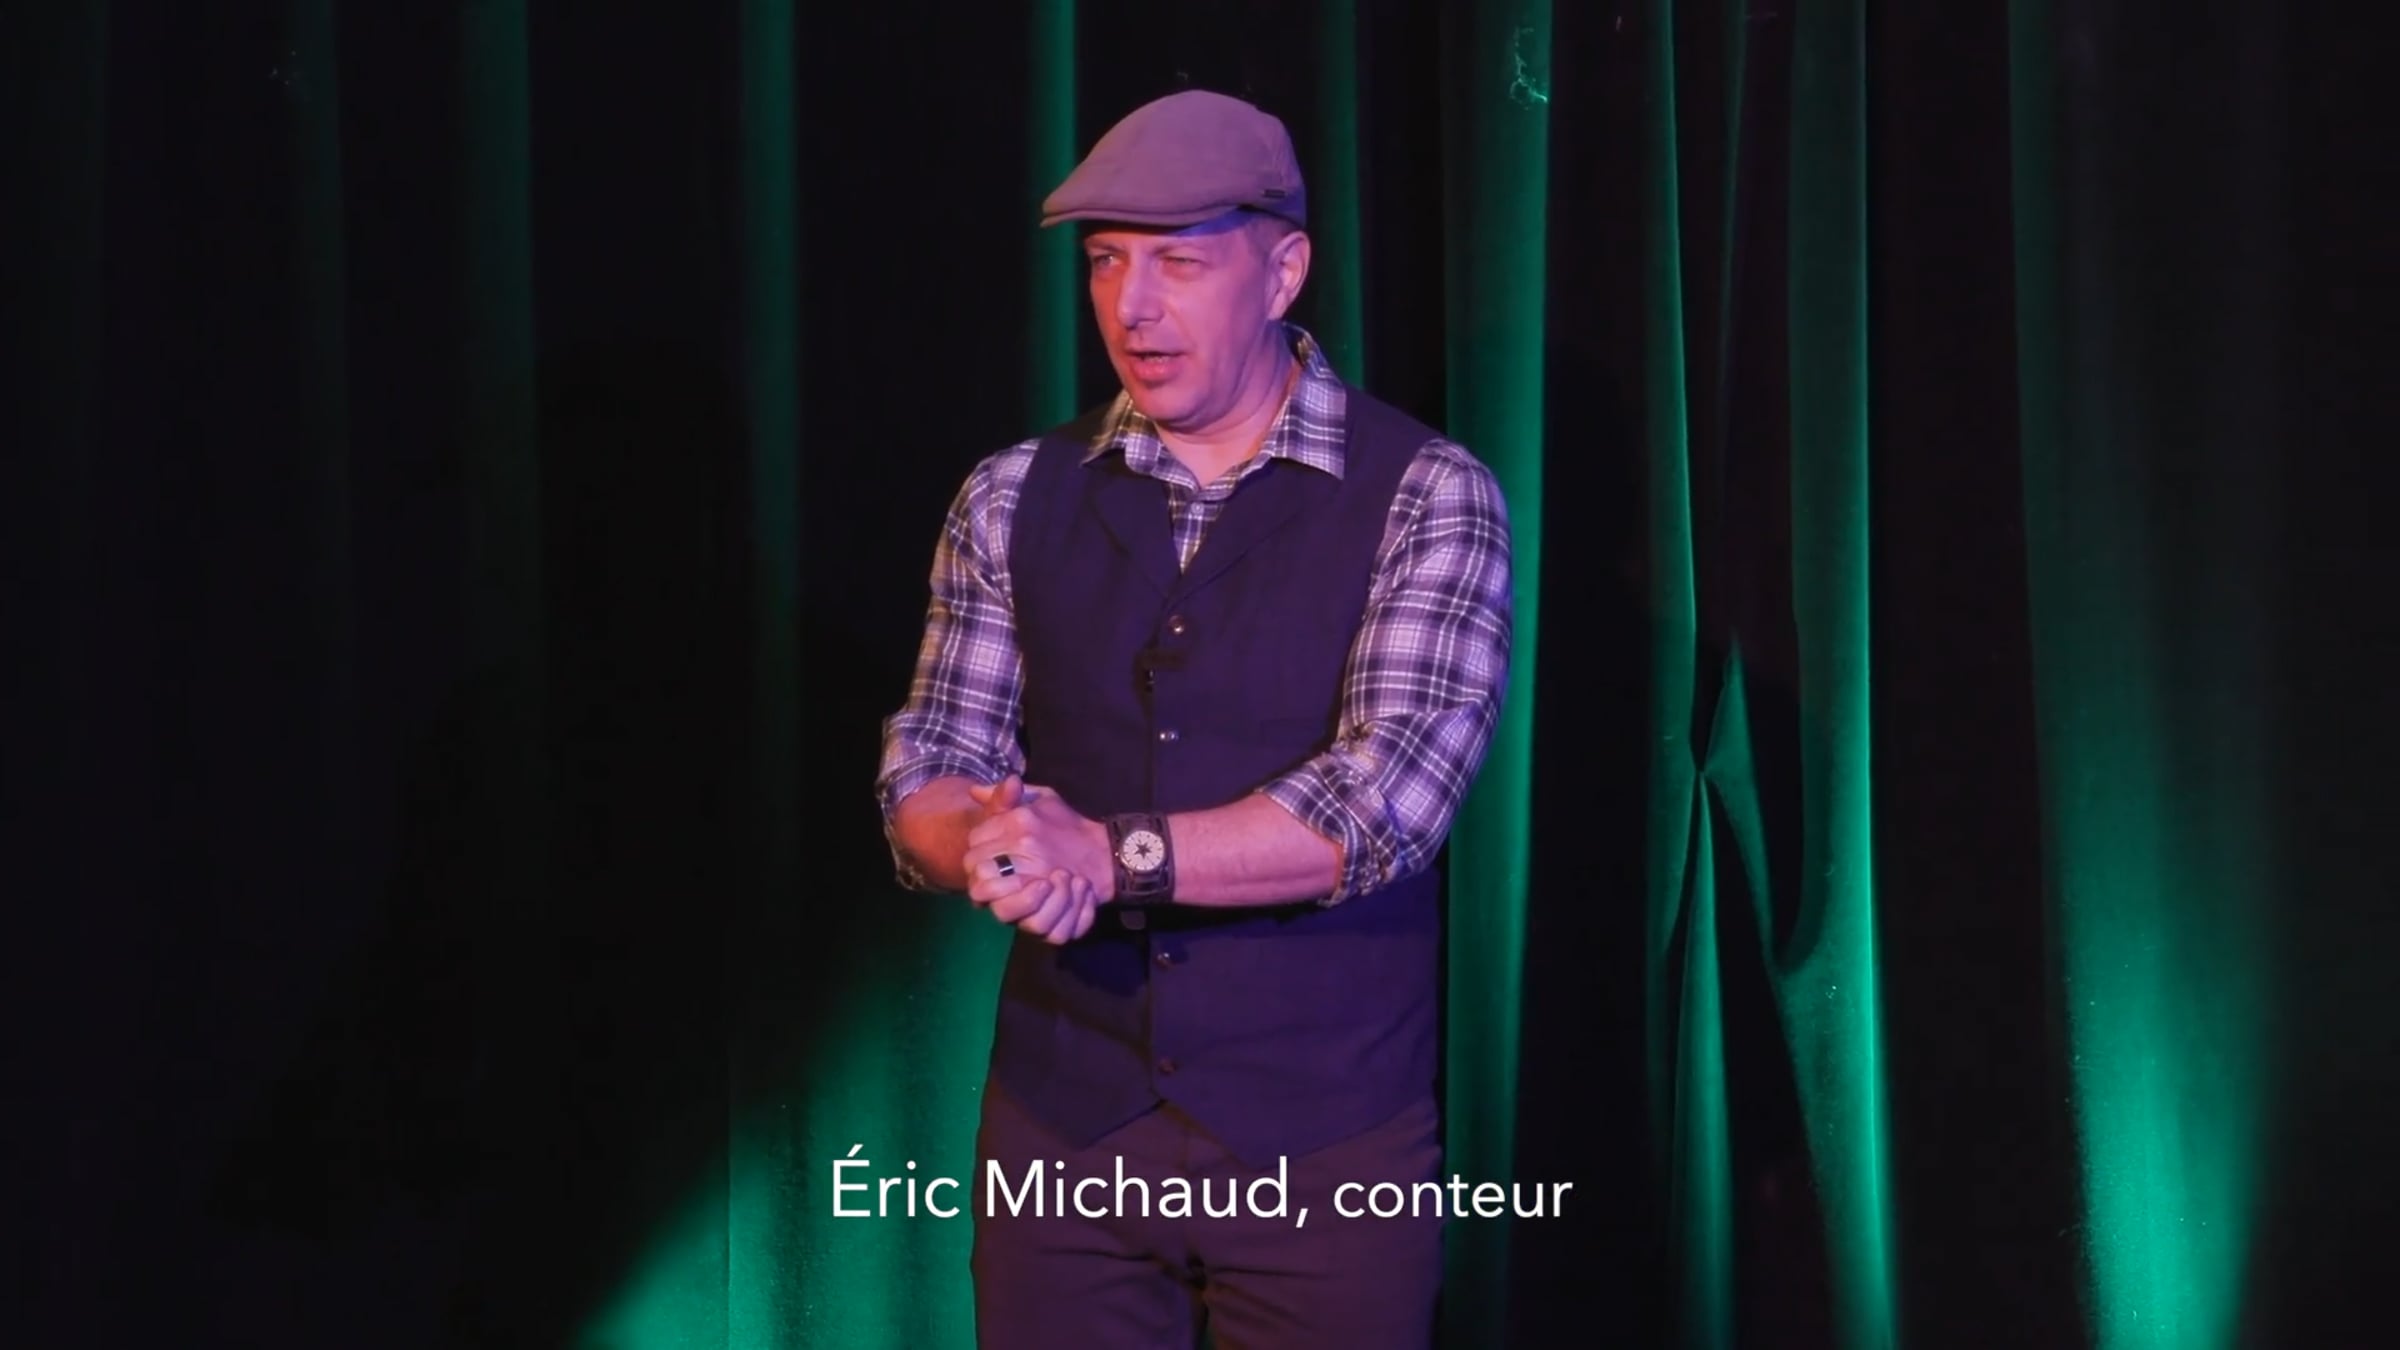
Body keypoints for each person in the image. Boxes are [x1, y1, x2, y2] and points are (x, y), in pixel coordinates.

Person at [874, 89, 1514, 1349]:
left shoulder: (1428, 493)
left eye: (1178, 263)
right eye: (1107, 263)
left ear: (1284, 271)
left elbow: (1384, 805)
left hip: (1324, 1145)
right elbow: (933, 764)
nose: (1132, 307)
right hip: (1065, 1136)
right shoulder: (1010, 494)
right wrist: (987, 841)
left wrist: (1102, 855)